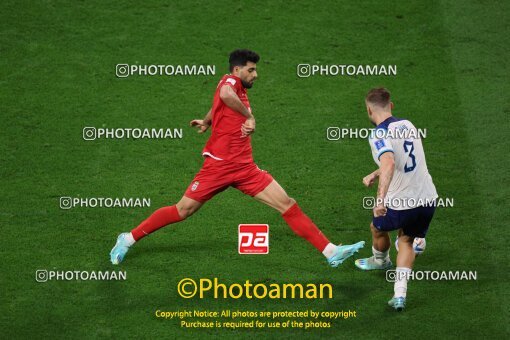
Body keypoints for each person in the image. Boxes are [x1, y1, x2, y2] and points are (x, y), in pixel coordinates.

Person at [110, 49, 364, 267]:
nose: (256, 74)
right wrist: (249, 117)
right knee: (182, 210)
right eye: (251, 70)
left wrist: (207, 120)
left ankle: (330, 251)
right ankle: (128, 238)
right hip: (218, 168)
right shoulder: (230, 84)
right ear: (237, 69)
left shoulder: (236, 86)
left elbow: (219, 102)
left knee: (287, 203)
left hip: (245, 169)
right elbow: (225, 96)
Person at [355, 87, 437, 311]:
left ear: (369, 110)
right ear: (391, 106)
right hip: (428, 199)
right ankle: (399, 295)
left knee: (376, 227)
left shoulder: (378, 134)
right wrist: (376, 172)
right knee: (406, 241)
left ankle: (381, 260)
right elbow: (407, 161)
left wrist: (380, 200)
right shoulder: (408, 125)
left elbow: (390, 161)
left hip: (401, 204)